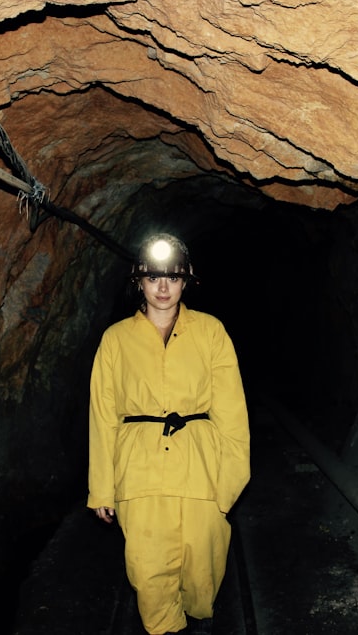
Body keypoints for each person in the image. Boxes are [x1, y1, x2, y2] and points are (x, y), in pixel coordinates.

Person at [87, 232, 251, 635]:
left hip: (202, 473)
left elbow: (232, 414)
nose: (163, 287)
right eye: (154, 277)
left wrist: (230, 485)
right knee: (149, 578)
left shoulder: (211, 332)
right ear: (138, 281)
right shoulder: (115, 340)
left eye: (173, 277)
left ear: (187, 279)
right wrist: (101, 489)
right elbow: (103, 416)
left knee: (202, 579)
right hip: (139, 476)